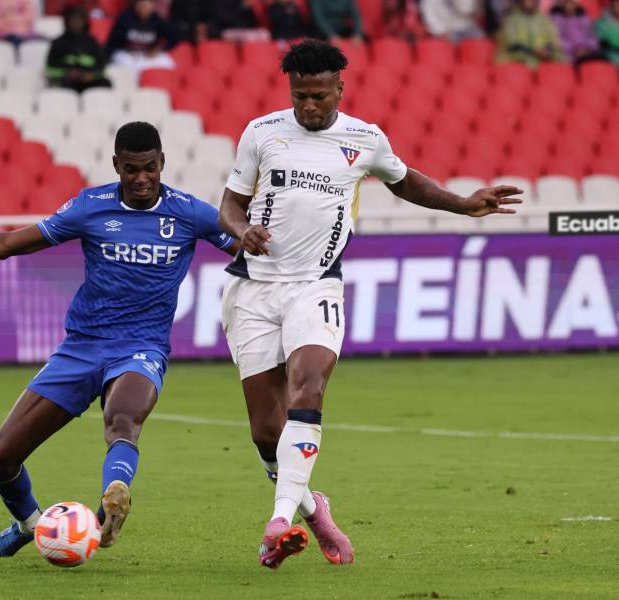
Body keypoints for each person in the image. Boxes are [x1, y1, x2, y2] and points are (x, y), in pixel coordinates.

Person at [0, 122, 238, 558]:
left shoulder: (190, 213)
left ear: (163, 163)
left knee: (123, 419)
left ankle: (115, 493)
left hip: (141, 347)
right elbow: (5, 244)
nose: (142, 179)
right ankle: (32, 526)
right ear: (116, 165)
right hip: (81, 347)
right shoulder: (90, 207)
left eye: (150, 168)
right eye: (131, 169)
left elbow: (249, 252)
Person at [217, 39, 522, 569]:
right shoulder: (262, 132)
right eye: (300, 96)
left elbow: (407, 184)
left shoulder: (364, 138)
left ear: (340, 88)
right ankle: (314, 509)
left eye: (318, 96)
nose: (309, 107)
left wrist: (464, 204)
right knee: (268, 432)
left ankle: (279, 521)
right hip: (253, 289)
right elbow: (231, 203)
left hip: (316, 286)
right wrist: (242, 230)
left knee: (308, 386)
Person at [46, 5, 111, 92]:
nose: (76, 22)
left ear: (84, 21)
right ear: (67, 21)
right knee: (64, 85)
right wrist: (67, 73)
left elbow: (101, 67)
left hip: (89, 81)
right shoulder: (58, 42)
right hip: (67, 81)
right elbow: (50, 69)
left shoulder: (92, 42)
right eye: (73, 19)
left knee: (105, 83)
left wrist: (91, 75)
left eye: (79, 19)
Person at [107, 0, 179, 76]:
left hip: (147, 54)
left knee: (167, 62)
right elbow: (112, 43)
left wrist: (160, 48)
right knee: (126, 65)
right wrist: (126, 50)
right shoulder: (125, 19)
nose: (145, 7)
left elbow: (175, 36)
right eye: (142, 4)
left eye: (148, 4)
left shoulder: (157, 21)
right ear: (136, 5)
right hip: (127, 54)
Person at [496, 0, 566, 67]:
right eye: (526, 1)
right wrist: (533, 51)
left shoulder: (544, 19)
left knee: (564, 60)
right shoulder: (512, 20)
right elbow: (512, 44)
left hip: (544, 55)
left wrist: (546, 50)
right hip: (519, 56)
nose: (528, 3)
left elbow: (553, 39)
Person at [420, 0, 485, 42]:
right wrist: (443, 34)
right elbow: (432, 24)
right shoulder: (429, 2)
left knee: (479, 37)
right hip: (446, 33)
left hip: (466, 27)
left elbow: (469, 11)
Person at [596, 0, 619, 66]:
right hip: (612, 54)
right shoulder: (601, 23)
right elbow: (603, 43)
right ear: (611, 6)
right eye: (617, 4)